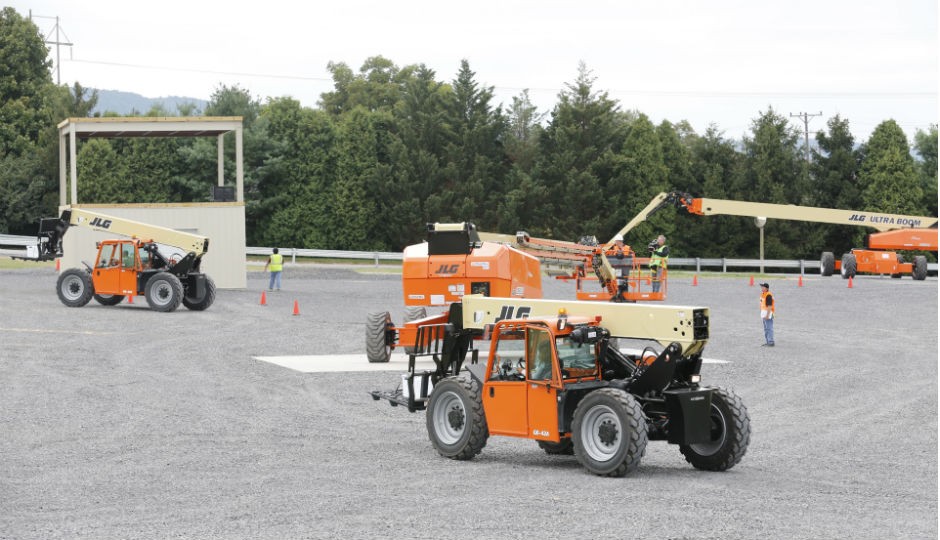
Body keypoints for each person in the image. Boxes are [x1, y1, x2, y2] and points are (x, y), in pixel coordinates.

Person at [759, 282, 775, 347]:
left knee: (769, 328)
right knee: (766, 328)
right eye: (761, 286)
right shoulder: (763, 294)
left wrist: (767, 315)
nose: (762, 288)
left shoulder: (768, 295)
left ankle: (771, 342)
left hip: (768, 314)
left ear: (767, 288)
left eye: (763, 287)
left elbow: (769, 306)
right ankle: (768, 341)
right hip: (764, 314)